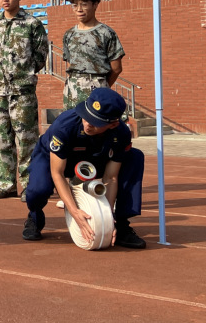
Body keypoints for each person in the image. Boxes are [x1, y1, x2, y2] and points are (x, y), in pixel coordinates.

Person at [22, 87, 146, 249]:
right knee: (38, 189)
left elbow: (111, 178)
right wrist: (75, 212)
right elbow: (57, 173)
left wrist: (108, 220)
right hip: (54, 158)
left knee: (134, 157)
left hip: (93, 159)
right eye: (87, 117)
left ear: (113, 124)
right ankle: (35, 217)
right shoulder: (65, 125)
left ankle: (121, 224)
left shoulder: (121, 133)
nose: (88, 124)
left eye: (96, 122)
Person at [0, 0, 48, 201]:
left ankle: (30, 186)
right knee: (3, 140)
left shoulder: (32, 24)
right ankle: (7, 184)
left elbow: (40, 56)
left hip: (22, 92)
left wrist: (23, 73)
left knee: (27, 140)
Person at [62, 0, 125, 109]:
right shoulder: (69, 34)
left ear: (95, 5)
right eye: (75, 5)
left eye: (84, 5)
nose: (79, 9)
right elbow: (71, 63)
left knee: (94, 121)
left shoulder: (106, 33)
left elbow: (116, 68)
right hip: (72, 89)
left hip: (96, 88)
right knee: (72, 120)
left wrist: (102, 86)